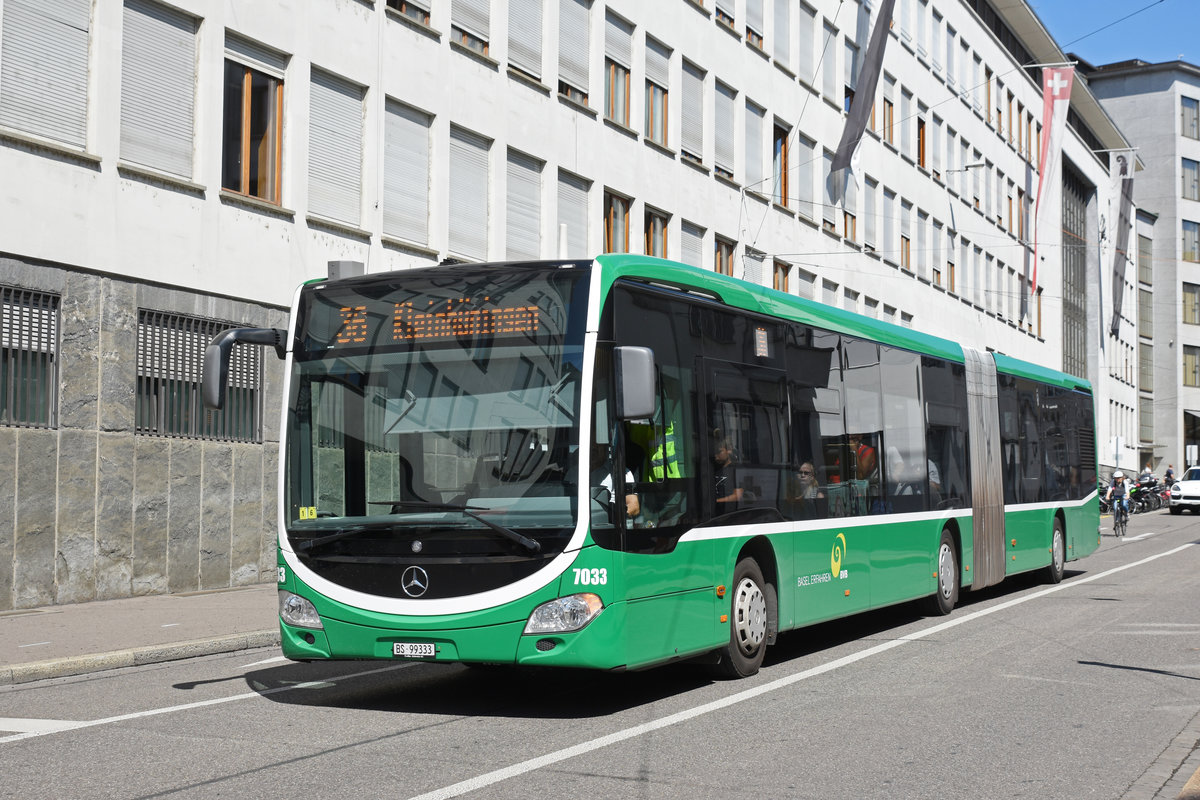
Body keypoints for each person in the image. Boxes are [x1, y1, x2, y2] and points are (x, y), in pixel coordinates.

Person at [590, 443, 640, 521]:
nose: (593, 449)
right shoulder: (572, 472)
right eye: (591, 445)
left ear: (605, 448)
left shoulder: (621, 472)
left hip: (609, 525)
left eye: (597, 445)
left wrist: (614, 517)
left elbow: (634, 507)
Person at [712, 437, 743, 504]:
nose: (715, 455)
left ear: (728, 450)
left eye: (719, 452)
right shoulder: (714, 470)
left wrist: (716, 501)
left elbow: (737, 496)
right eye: (714, 452)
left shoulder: (735, 469)